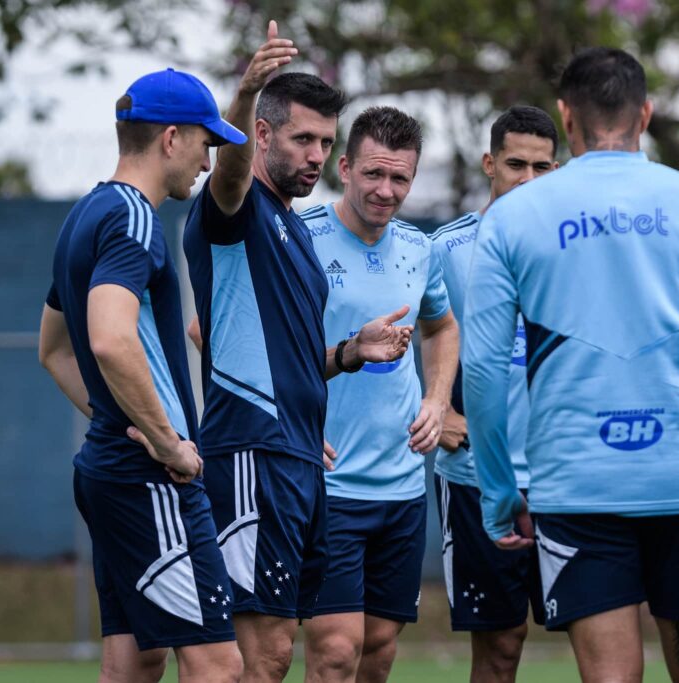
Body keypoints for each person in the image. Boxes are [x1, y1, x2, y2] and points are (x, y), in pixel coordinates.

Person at [461, 47, 679, 683]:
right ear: (646, 114)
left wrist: (497, 490)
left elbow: (486, 370)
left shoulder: (514, 217)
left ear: (566, 117)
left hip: (577, 485)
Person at [182, 23, 412, 683]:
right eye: (302, 138)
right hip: (252, 453)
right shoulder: (238, 207)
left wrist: (346, 352)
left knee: (280, 655)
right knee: (260, 655)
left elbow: (280, 352)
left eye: (325, 143)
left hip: (299, 457)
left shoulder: (292, 228)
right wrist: (248, 88)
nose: (317, 155)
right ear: (260, 133)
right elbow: (225, 174)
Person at [39, 68, 246, 682]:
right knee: (219, 666)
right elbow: (107, 337)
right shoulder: (134, 219)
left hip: (111, 472)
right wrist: (164, 442)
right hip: (148, 479)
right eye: (207, 145)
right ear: (171, 138)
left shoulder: (86, 214)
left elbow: (53, 350)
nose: (208, 163)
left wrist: (113, 419)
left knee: (134, 662)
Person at [299, 106, 459, 683]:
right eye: (373, 174)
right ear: (344, 168)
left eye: (400, 178)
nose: (385, 190)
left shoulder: (420, 249)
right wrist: (289, 420)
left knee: (379, 649)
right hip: (327, 483)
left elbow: (442, 327)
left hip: (401, 484)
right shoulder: (299, 240)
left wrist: (437, 400)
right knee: (337, 650)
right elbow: (221, 335)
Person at [430, 104, 559, 683]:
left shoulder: (576, 251)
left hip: (569, 481)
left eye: (543, 167)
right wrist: (435, 410)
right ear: (489, 163)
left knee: (599, 643)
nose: (529, 180)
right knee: (501, 648)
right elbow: (400, 342)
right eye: (515, 165)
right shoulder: (446, 249)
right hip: (478, 481)